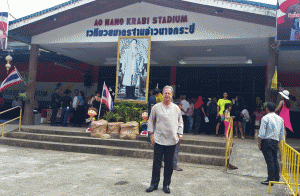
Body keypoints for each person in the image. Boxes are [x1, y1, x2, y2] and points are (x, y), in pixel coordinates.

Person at [146, 85, 183, 194]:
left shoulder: (176, 108)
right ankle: (154, 184)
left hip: (171, 141)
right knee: (156, 163)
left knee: (169, 164)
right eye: (165, 93)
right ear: (163, 94)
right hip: (158, 139)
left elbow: (180, 122)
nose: (167, 95)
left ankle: (166, 184)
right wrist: (151, 135)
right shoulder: (156, 107)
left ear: (172, 95)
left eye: (169, 93)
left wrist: (179, 135)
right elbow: (151, 121)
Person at [258, 102, 285, 186]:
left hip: (267, 141)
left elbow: (262, 132)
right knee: (275, 160)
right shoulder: (280, 119)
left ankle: (270, 179)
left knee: (269, 161)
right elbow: (281, 134)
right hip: (275, 141)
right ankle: (276, 178)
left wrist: (259, 143)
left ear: (267, 109)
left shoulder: (265, 118)